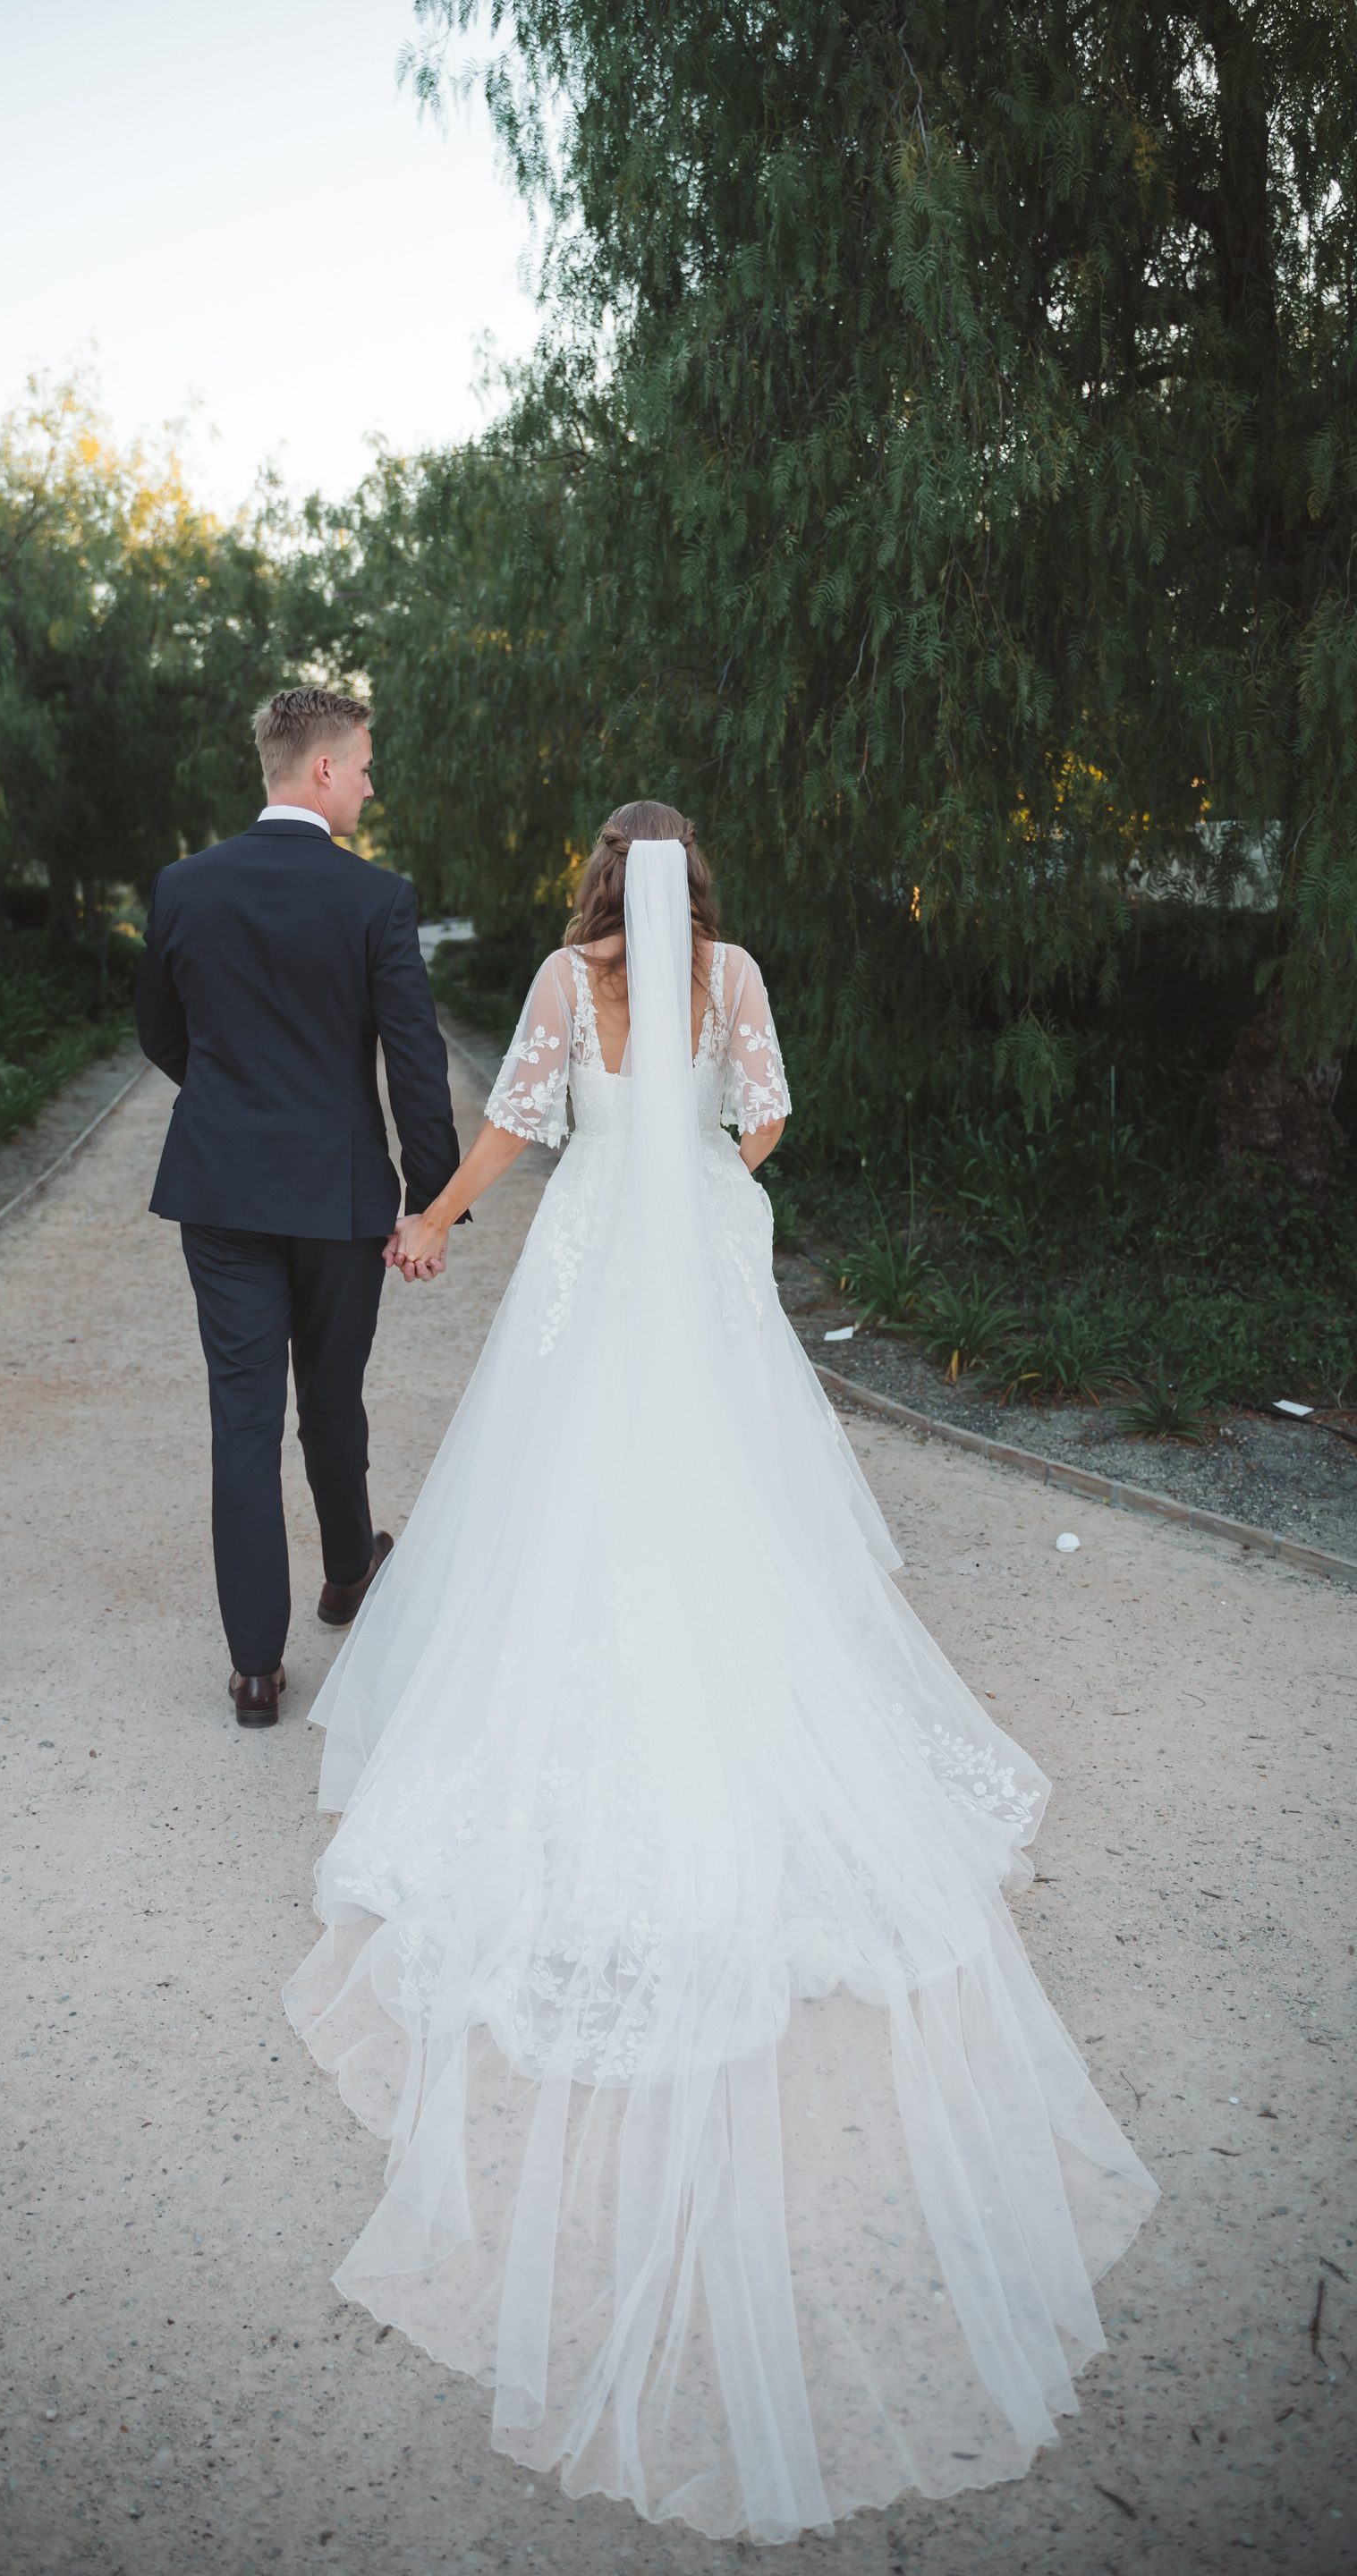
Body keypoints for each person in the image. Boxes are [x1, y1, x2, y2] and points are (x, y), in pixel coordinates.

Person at [285, 803, 1158, 2545]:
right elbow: (767, 1122)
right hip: (687, 1259)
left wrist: (437, 1215)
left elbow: (518, 1124)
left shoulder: (567, 981)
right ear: (697, 889)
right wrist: (703, 1183)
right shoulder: (734, 977)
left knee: (561, 1499)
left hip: (595, 1268)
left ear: (599, 883)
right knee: (729, 1502)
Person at [136, 688, 462, 1725]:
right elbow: (416, 1062)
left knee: (243, 1416)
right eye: (362, 765)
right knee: (330, 1396)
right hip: (339, 1191)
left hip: (221, 1188)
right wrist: (432, 1201)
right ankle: (348, 1573)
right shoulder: (376, 899)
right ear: (322, 769)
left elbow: (159, 1033)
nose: (369, 782)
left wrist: (231, 1108)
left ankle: (254, 1669)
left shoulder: (185, 885)